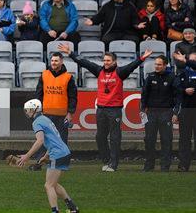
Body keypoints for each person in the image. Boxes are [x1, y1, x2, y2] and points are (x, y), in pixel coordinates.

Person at [58, 42, 153, 171]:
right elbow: (84, 63)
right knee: (100, 137)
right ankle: (107, 160)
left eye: (108, 60)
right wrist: (70, 53)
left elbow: (132, 66)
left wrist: (142, 58)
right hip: (101, 109)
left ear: (114, 62)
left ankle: (113, 164)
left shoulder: (120, 72)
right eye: (104, 60)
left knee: (115, 137)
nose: (106, 62)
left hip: (114, 110)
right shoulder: (99, 70)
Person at [18, 99, 79, 213]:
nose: (27, 112)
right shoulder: (45, 119)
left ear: (35, 109)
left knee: (48, 185)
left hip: (57, 154)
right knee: (54, 184)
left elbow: (40, 141)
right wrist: (46, 155)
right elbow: (53, 138)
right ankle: (72, 208)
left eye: (28, 109)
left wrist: (27, 156)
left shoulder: (37, 122)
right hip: (63, 152)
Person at [140, 55, 181, 172]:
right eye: (155, 64)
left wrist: (175, 112)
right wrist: (142, 109)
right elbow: (144, 94)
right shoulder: (150, 76)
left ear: (165, 65)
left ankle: (165, 166)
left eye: (159, 64)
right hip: (151, 112)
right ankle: (149, 165)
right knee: (149, 139)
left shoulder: (172, 77)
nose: (156, 66)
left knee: (166, 140)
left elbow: (178, 96)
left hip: (166, 112)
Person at [35, 52, 78, 146]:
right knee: (45, 140)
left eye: (56, 61)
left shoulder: (68, 77)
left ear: (61, 62)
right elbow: (38, 95)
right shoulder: (44, 75)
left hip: (62, 115)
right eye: (52, 60)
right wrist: (38, 111)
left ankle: (62, 160)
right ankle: (43, 160)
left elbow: (73, 97)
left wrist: (70, 113)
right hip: (46, 114)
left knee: (61, 141)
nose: (53, 63)